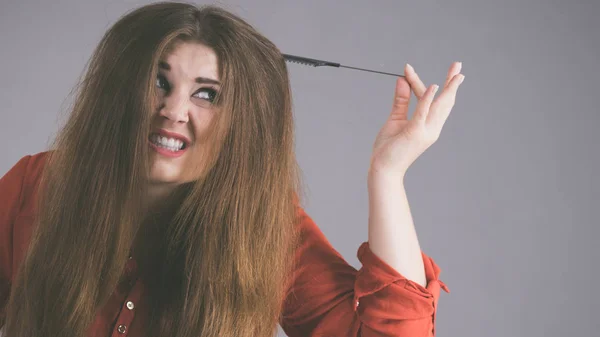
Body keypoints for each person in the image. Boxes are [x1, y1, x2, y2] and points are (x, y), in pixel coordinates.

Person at [0, 2, 463, 337]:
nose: (173, 110)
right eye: (158, 81)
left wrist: (388, 174)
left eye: (207, 94)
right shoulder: (36, 185)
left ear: (243, 121)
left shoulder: (263, 225)